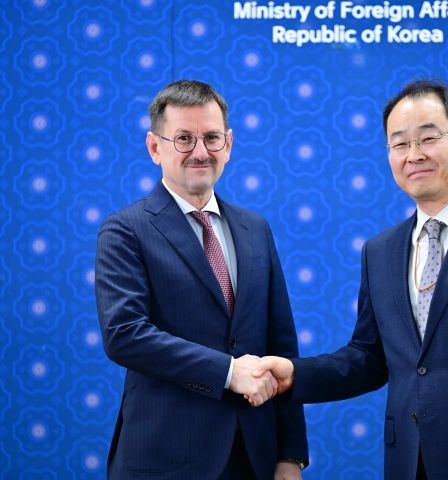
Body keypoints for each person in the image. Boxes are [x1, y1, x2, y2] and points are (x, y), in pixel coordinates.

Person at [254, 79, 448, 479]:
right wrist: (295, 374)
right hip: (408, 463)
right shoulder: (380, 251)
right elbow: (369, 359)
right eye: (400, 143)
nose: (414, 154)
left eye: (428, 138)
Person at [95, 80, 308, 480]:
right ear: (154, 147)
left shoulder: (255, 229)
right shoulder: (125, 230)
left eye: (211, 138)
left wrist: (291, 454)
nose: (199, 152)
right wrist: (228, 372)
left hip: (255, 457)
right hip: (164, 459)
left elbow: (282, 345)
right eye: (183, 139)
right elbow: (124, 334)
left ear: (228, 144)